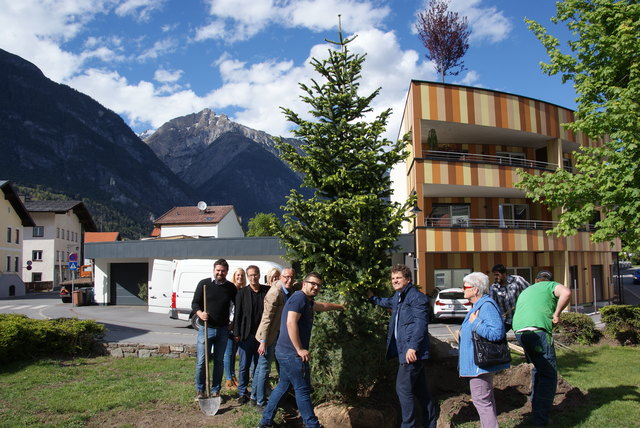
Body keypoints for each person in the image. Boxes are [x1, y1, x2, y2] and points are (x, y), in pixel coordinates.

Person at [259, 272, 345, 428]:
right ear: (304, 283)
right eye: (313, 283)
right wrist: (299, 349)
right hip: (292, 354)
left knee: (283, 387)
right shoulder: (299, 298)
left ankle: (265, 422)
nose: (316, 287)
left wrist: (340, 306)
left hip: (284, 352)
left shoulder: (305, 300)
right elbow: (291, 323)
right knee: (303, 389)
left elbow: (321, 306)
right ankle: (313, 425)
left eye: (318, 285)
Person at [368, 264, 437, 428]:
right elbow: (387, 302)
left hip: (412, 353)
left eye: (398, 278)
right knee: (421, 391)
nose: (394, 281)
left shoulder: (416, 297)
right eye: (392, 278)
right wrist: (372, 297)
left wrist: (412, 347)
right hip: (405, 351)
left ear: (408, 279)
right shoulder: (399, 297)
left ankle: (408, 425)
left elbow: (421, 324)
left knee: (403, 389)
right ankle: (429, 423)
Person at [512, 270, 571, 426]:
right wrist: (557, 314)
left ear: (536, 280)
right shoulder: (550, 286)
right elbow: (566, 293)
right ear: (548, 281)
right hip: (537, 331)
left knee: (538, 368)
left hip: (520, 333)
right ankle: (541, 419)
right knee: (549, 374)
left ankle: (536, 409)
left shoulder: (527, 289)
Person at [459, 272, 510, 428]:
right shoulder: (478, 306)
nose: (463, 290)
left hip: (480, 365)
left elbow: (497, 333)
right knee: (485, 400)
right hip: (477, 364)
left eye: (465, 287)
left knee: (482, 401)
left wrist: (476, 323)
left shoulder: (486, 306)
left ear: (475, 290)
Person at [191, 258, 237, 399]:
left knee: (219, 361)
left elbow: (237, 307)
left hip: (223, 330)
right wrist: (200, 313)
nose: (220, 273)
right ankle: (200, 390)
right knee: (201, 361)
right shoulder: (204, 284)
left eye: (223, 271)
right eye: (218, 270)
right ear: (214, 270)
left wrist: (233, 322)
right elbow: (195, 303)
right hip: (206, 328)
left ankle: (216, 390)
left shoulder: (230, 287)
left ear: (226, 272)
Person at [253, 267, 293, 409]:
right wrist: (263, 342)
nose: (289, 280)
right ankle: (260, 402)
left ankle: (253, 397)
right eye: (286, 277)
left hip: (276, 334)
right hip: (268, 336)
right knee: (264, 369)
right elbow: (266, 318)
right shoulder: (275, 293)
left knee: (260, 368)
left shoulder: (287, 289)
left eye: (291, 277)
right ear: (280, 278)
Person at [233, 265, 269, 405]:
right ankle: (242, 393)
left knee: (258, 366)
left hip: (261, 337)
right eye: (251, 275)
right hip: (246, 335)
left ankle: (255, 392)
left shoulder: (266, 291)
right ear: (248, 277)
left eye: (255, 274)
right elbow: (238, 314)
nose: (253, 277)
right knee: (244, 366)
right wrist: (236, 332)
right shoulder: (242, 293)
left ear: (259, 275)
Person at [489, 264, 530, 331]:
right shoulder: (493, 288)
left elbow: (529, 292)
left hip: (520, 317)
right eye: (494, 275)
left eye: (497, 275)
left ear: (504, 274)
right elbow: (492, 305)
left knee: (524, 338)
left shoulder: (517, 280)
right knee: (499, 338)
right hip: (505, 320)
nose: (495, 277)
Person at [224, 267, 246, 389]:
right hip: (230, 325)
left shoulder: (243, 290)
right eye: (238, 275)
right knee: (228, 353)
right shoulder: (230, 290)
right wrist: (230, 321)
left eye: (242, 275)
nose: (240, 277)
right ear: (234, 276)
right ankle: (228, 379)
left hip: (238, 326)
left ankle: (232, 376)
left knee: (233, 353)